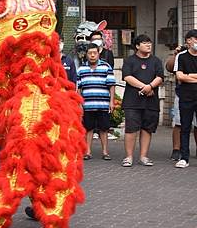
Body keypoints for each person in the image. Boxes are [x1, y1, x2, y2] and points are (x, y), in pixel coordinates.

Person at [120, 35, 163, 167]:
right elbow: (127, 77)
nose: (148, 45)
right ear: (137, 46)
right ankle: (129, 157)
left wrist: (150, 87)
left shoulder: (156, 61)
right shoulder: (129, 60)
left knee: (147, 129)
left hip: (151, 101)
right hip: (133, 100)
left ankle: (143, 156)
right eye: (145, 43)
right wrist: (144, 87)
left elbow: (160, 77)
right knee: (131, 128)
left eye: (149, 43)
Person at [77, 43, 115, 160]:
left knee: (104, 128)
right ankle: (87, 151)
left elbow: (111, 85)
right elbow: (78, 87)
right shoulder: (81, 69)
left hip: (103, 104)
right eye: (90, 53)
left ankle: (105, 152)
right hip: (88, 105)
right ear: (86, 55)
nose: (92, 55)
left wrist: (112, 101)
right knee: (88, 128)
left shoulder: (106, 67)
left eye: (95, 53)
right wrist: (79, 103)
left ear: (98, 53)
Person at [165, 44, 197, 161]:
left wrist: (187, 76)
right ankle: (177, 150)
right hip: (183, 94)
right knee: (181, 124)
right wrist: (175, 54)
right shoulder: (181, 55)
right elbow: (170, 68)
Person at [174, 29, 197, 168]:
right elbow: (180, 76)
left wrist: (189, 76)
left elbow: (185, 76)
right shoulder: (181, 56)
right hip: (186, 96)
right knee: (185, 127)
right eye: (194, 39)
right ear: (188, 41)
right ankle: (184, 157)